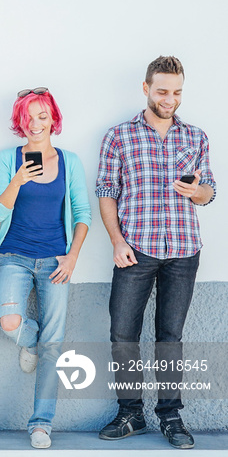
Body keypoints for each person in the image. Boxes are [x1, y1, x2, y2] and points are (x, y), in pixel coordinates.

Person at [96, 56, 216, 449]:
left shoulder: (195, 137)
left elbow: (209, 192)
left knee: (170, 337)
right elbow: (107, 193)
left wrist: (196, 192)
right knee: (122, 334)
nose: (170, 99)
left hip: (183, 250)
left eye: (177, 91)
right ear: (146, 88)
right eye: (162, 91)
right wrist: (116, 240)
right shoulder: (119, 136)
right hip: (135, 249)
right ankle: (130, 413)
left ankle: (171, 416)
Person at [0, 88, 91, 449]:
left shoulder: (70, 161)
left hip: (55, 261)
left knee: (54, 345)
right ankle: (29, 341)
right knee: (10, 322)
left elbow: (83, 214)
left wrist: (73, 256)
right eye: (28, 117)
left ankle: (41, 424)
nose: (35, 124)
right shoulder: (6, 159)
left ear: (53, 119)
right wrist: (18, 180)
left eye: (42, 116)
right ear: (20, 121)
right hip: (14, 256)